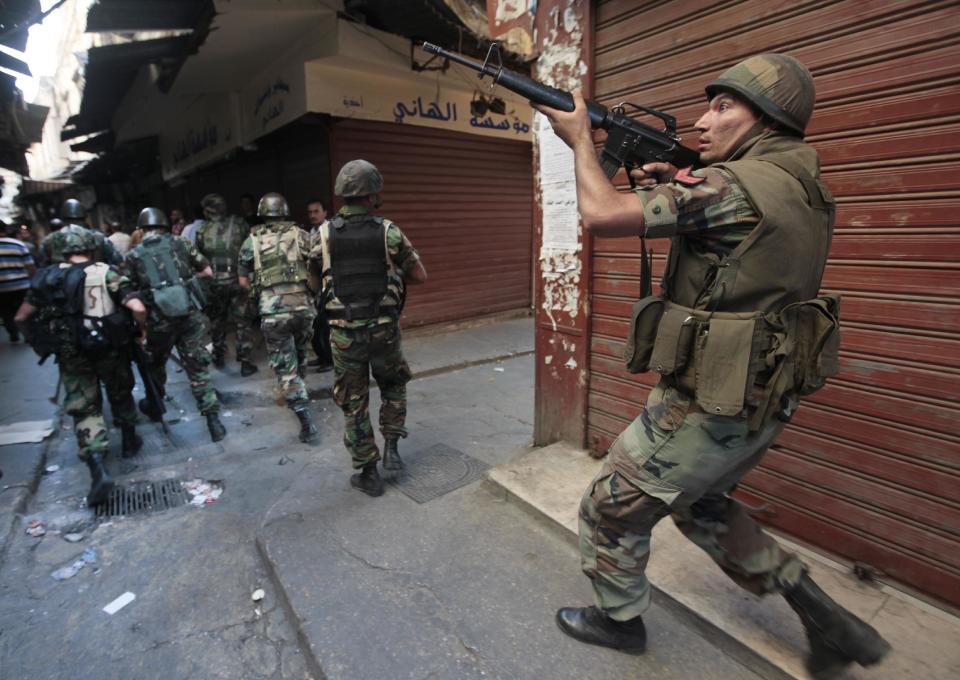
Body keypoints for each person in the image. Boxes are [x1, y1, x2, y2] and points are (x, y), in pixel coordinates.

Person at [534, 54, 890, 677]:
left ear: (768, 119)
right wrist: (679, 178)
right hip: (761, 394)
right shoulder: (803, 184)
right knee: (701, 505)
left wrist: (578, 143)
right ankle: (831, 625)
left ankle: (617, 623)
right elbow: (742, 249)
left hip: (712, 399)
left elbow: (601, 215)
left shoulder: (731, 188)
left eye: (723, 106)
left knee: (611, 503)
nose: (703, 121)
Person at [308, 160, 427, 497]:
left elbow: (314, 282)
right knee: (393, 385)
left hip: (345, 335)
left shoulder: (322, 234)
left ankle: (369, 473)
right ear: (374, 193)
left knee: (353, 399)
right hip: (384, 330)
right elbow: (420, 275)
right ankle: (392, 450)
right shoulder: (389, 231)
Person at [15, 230, 146, 505]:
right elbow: (137, 305)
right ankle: (129, 438)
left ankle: (97, 465)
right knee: (120, 390)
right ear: (91, 246)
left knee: (84, 406)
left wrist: (37, 339)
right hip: (109, 347)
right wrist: (138, 330)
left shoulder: (48, 278)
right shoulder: (105, 272)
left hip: (72, 353)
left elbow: (21, 317)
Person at [125, 207, 226, 442]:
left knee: (155, 367)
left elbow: (130, 293)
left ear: (142, 229)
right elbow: (208, 271)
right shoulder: (182, 244)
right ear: (165, 226)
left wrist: (140, 327)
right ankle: (214, 423)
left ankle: (155, 405)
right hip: (189, 317)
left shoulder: (134, 255)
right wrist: (185, 283)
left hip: (158, 322)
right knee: (198, 369)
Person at [238, 193, 319, 444]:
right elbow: (318, 268)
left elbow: (242, 279)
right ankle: (298, 391)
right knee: (301, 353)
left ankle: (303, 413)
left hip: (274, 312)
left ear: (262, 214)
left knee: (285, 366)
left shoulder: (251, 241)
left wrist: (257, 293)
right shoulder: (302, 235)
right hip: (304, 308)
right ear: (285, 211)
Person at [195, 193, 258, 375]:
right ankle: (246, 363)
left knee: (217, 320)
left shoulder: (202, 230)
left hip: (214, 283)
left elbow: (198, 258)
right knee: (242, 322)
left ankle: (218, 357)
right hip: (238, 280)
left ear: (208, 210)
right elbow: (249, 249)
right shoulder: (239, 224)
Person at [40, 199, 122, 266]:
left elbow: (43, 265)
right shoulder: (99, 237)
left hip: (62, 283)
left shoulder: (48, 240)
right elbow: (118, 260)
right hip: (94, 282)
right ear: (84, 216)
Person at [305, 198, 332, 372]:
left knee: (325, 327)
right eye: (310, 212)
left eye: (316, 211)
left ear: (325, 212)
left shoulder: (330, 231)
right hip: (315, 287)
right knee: (315, 326)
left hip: (329, 285)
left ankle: (329, 360)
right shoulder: (311, 232)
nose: (313, 215)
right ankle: (322, 356)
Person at [1, 220, 36, 342]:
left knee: (6, 312)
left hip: (2, 288)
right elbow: (30, 266)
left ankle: (13, 333)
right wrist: (34, 281)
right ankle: (28, 334)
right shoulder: (18, 244)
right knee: (25, 309)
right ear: (5, 230)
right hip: (22, 285)